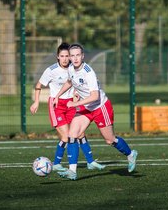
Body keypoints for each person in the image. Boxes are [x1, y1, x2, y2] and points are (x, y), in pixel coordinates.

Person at [53, 43, 138, 180]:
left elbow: (95, 96)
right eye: (72, 55)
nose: (74, 58)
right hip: (87, 107)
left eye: (77, 55)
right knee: (72, 135)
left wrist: (75, 103)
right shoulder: (70, 68)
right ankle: (72, 171)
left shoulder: (88, 72)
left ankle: (130, 154)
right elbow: (69, 82)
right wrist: (58, 95)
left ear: (83, 56)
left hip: (100, 107)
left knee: (110, 140)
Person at [30, 42, 105, 172]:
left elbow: (79, 85)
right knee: (66, 136)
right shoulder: (51, 70)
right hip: (56, 105)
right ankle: (57, 163)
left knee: (80, 133)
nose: (65, 59)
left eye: (67, 56)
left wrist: (76, 95)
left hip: (71, 104)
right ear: (58, 57)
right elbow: (39, 85)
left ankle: (90, 161)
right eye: (62, 56)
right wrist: (36, 102)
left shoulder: (74, 68)